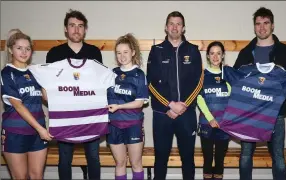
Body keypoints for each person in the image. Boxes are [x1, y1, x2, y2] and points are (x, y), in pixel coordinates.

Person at [233, 7, 286, 180]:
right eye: (258, 24)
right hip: (249, 114)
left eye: (266, 23)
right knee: (245, 157)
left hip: (276, 114)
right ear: (254, 26)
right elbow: (235, 81)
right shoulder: (246, 53)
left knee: (278, 157)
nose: (262, 27)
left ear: (272, 25)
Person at [45, 9, 102, 180]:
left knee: (93, 157)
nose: (76, 30)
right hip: (65, 116)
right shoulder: (54, 53)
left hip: (90, 115)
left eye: (80, 26)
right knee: (64, 159)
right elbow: (48, 84)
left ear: (85, 30)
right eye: (72, 26)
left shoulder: (94, 53)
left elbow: (99, 84)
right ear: (65, 29)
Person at [146, 11, 203, 180]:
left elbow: (199, 82)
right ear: (166, 27)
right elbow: (150, 82)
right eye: (171, 23)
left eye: (178, 24)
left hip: (187, 114)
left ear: (183, 28)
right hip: (162, 114)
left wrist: (182, 106)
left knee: (188, 160)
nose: (175, 27)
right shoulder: (156, 51)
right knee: (161, 160)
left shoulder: (193, 50)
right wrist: (169, 105)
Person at [1, 32, 53, 179]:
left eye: (27, 48)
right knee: (21, 177)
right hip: (16, 133)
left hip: (38, 132)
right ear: (11, 49)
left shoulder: (35, 71)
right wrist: (40, 129)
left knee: (37, 175)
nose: (24, 52)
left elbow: (47, 98)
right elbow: (18, 105)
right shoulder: (7, 73)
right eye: (19, 48)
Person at [106, 33, 148, 180]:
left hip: (133, 125)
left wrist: (118, 106)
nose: (122, 56)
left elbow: (140, 103)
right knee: (120, 163)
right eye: (118, 53)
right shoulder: (111, 74)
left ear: (133, 52)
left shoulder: (139, 75)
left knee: (136, 163)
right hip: (114, 125)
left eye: (125, 52)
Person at [197, 41, 230, 180]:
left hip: (224, 124)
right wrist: (210, 118)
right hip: (207, 123)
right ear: (208, 56)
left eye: (218, 53)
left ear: (223, 56)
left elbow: (234, 97)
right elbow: (199, 98)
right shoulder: (202, 75)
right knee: (208, 158)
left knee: (220, 160)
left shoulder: (229, 74)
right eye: (212, 53)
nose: (215, 56)